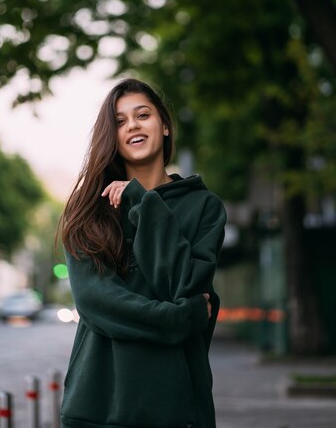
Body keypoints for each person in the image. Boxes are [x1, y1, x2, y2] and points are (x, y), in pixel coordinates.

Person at [59, 78, 227, 428]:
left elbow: (183, 282)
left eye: (142, 115)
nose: (132, 125)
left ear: (164, 125)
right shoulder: (88, 209)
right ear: (113, 137)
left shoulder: (204, 207)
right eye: (119, 121)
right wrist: (186, 317)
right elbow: (99, 303)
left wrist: (143, 203)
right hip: (100, 407)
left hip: (178, 409)